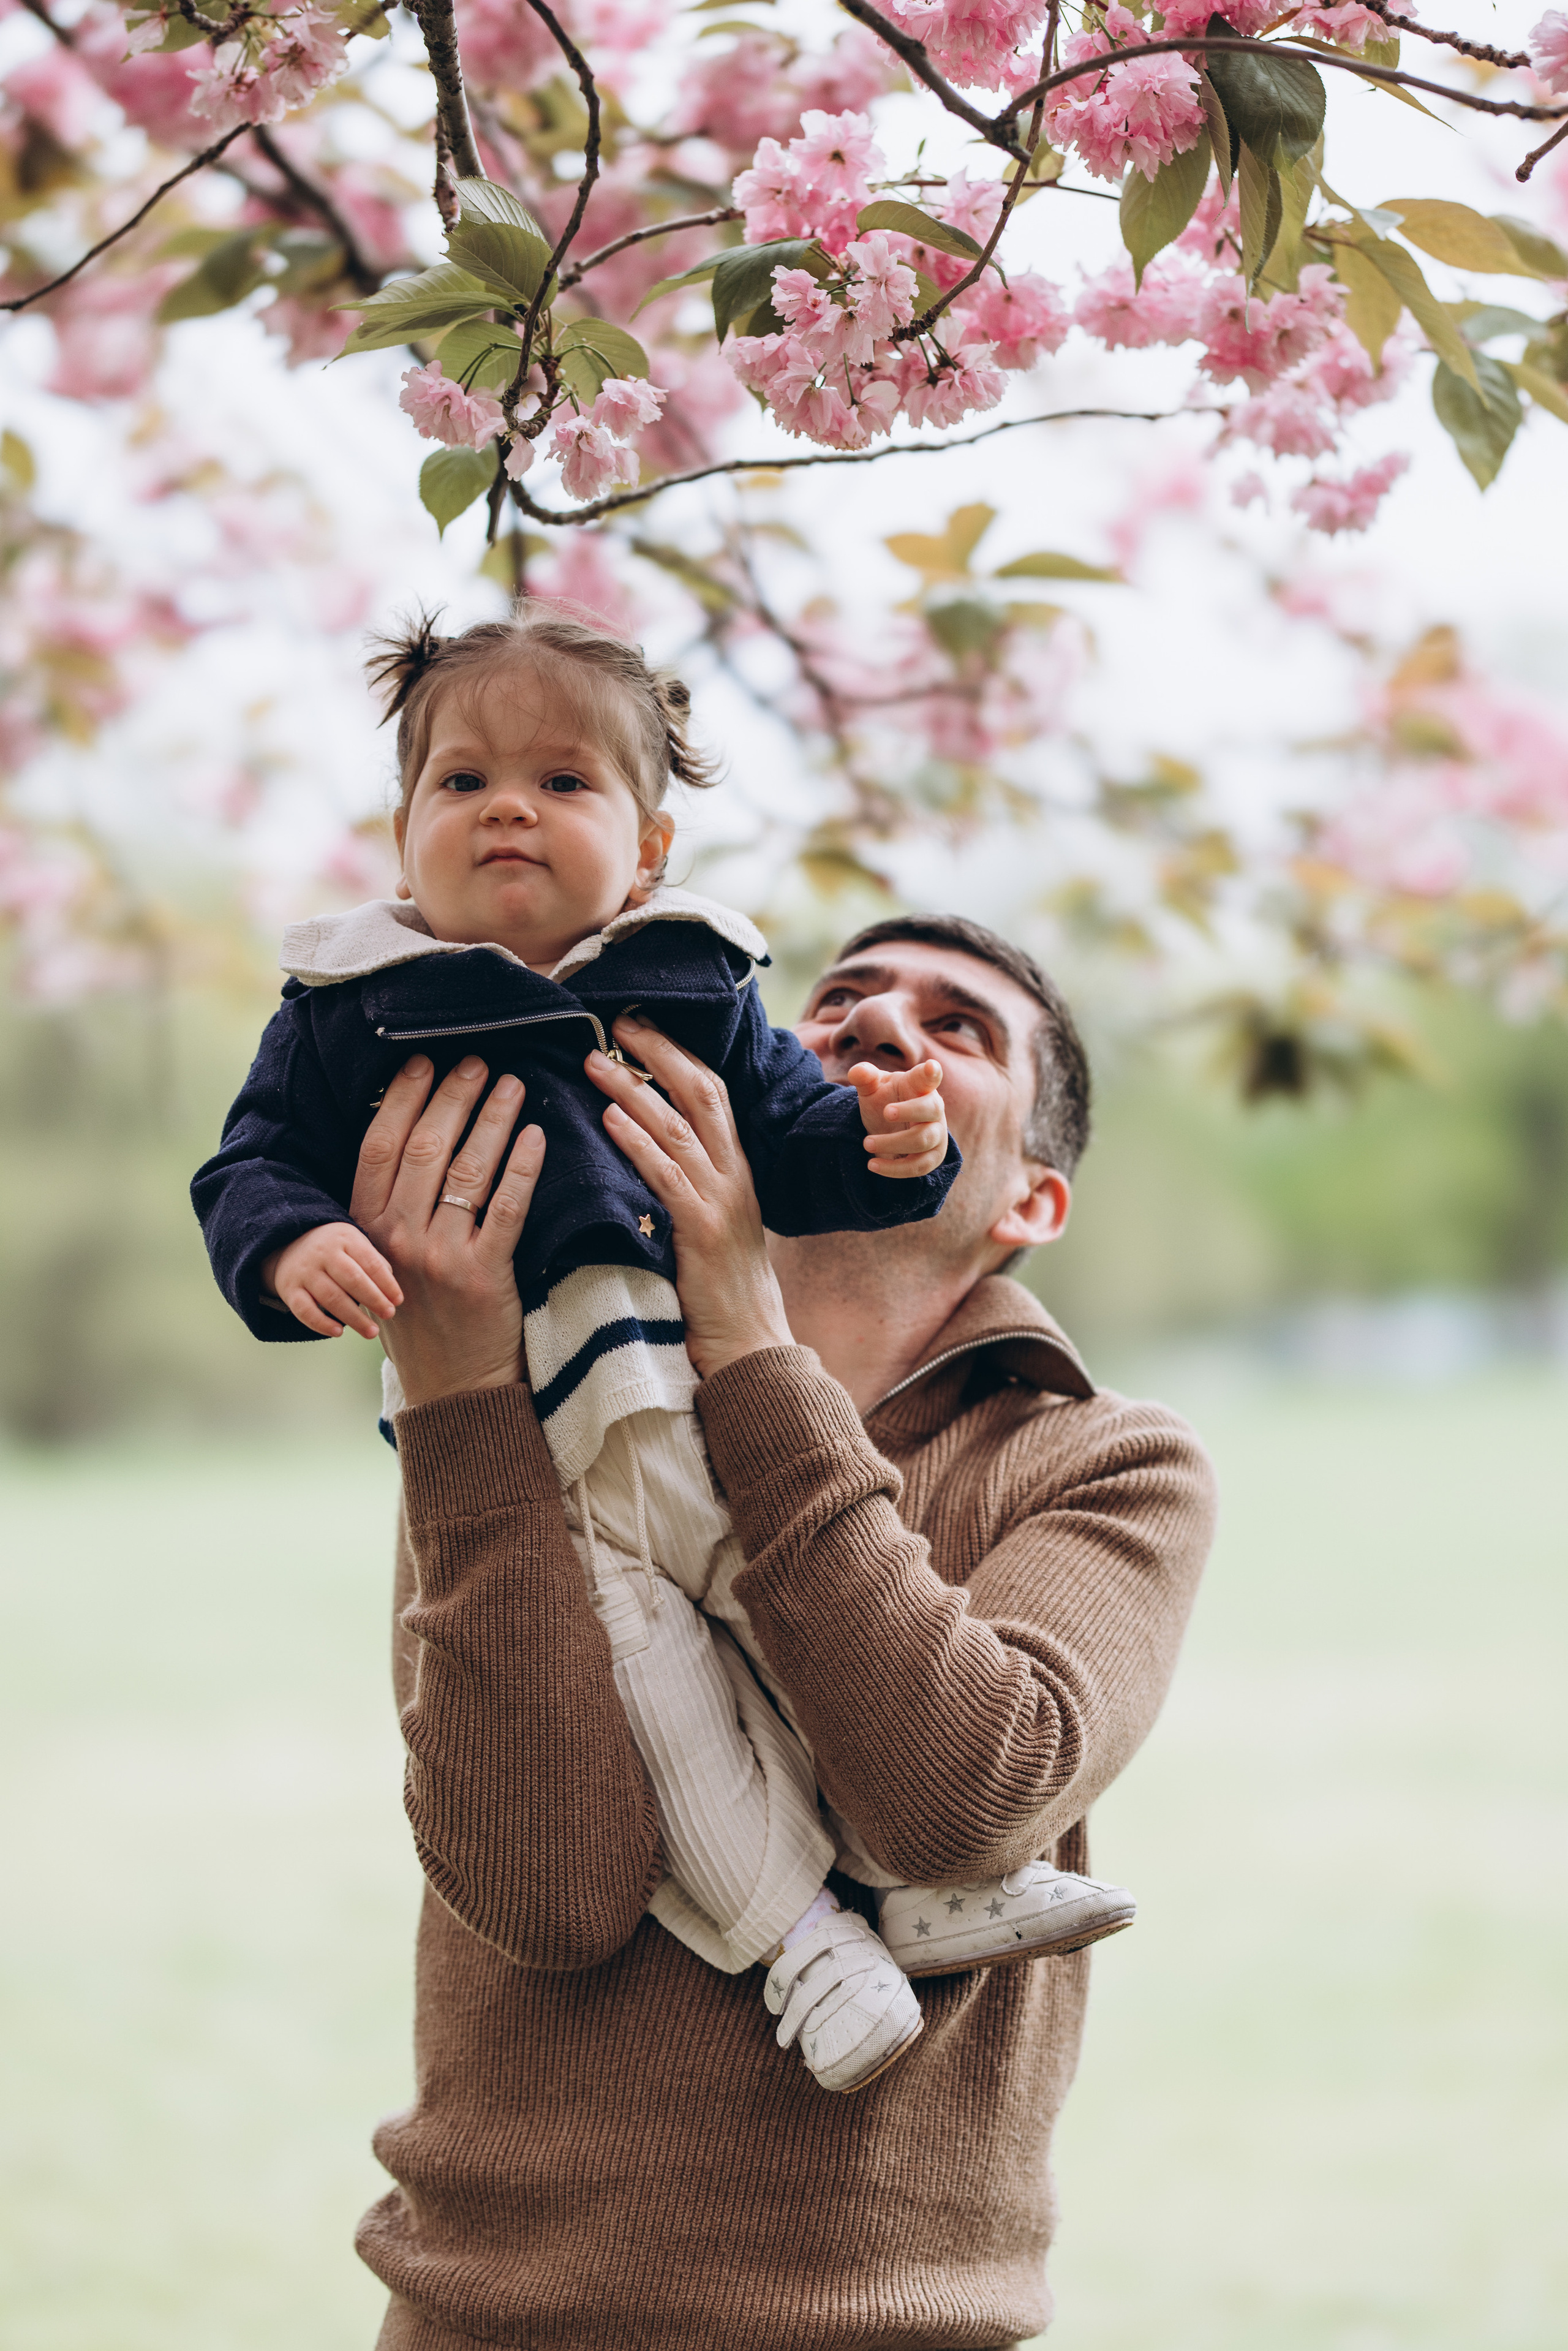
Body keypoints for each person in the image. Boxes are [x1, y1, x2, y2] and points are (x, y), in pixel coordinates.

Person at [190, 611, 1136, 2099]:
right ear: (399, 840)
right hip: (541, 1428)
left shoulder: (693, 986)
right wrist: (307, 1261)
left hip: (695, 1410)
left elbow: (806, 1131)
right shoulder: (343, 1009)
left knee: (781, 1617)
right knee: (666, 1692)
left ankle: (912, 1891)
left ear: (644, 851)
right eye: (463, 784)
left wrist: (884, 1156)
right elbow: (251, 1166)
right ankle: (808, 1943)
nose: (508, 805)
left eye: (563, 783)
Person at [340, 908, 1218, 2350]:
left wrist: (749, 1337)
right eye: (841, 1001)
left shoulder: (1106, 1462)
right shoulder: (530, 1411)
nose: (877, 1026)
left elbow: (955, 1794)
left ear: (1029, 1203)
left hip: (883, 2326)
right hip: (481, 2315)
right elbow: (546, 1883)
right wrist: (454, 1398)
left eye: (957, 1028)